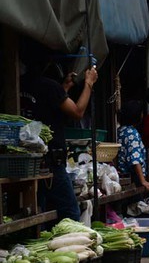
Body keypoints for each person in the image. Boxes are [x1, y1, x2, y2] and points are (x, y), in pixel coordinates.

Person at [20, 62, 98, 222]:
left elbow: (49, 105)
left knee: (38, 210)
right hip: (50, 162)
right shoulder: (49, 86)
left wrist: (65, 88)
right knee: (70, 211)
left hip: (26, 161)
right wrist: (89, 83)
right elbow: (78, 111)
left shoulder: (20, 84)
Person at [117, 101, 149, 192]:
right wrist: (143, 181)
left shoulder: (120, 130)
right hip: (132, 179)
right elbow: (135, 159)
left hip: (123, 177)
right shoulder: (132, 133)